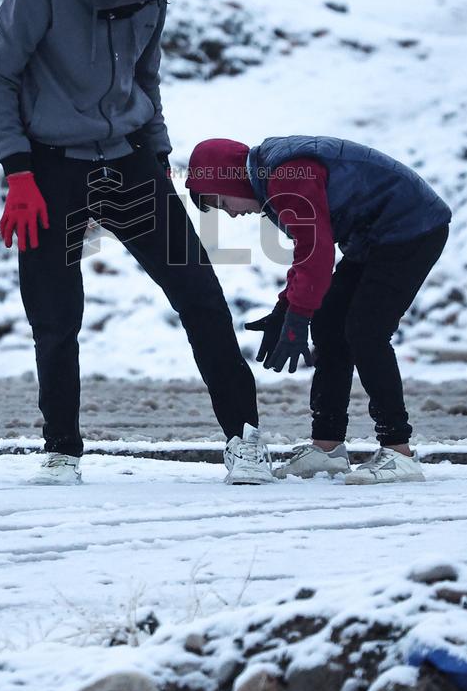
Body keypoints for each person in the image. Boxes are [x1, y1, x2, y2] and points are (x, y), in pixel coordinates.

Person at [0, 0, 272, 485]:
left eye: (153, 1)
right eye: (135, 0)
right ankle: (62, 448)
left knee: (200, 293)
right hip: (50, 165)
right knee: (55, 314)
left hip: (130, 160)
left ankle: (244, 437)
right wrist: (18, 173)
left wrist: (158, 155)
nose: (146, 9)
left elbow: (147, 77)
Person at [185, 135, 452, 484]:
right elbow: (311, 246)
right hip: (374, 235)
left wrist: (298, 314)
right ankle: (327, 448)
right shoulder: (273, 176)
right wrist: (287, 308)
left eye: (221, 201)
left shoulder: (285, 177)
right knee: (328, 324)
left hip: (411, 228)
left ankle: (398, 451)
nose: (232, 213)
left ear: (229, 178)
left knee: (365, 331)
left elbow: (317, 252)